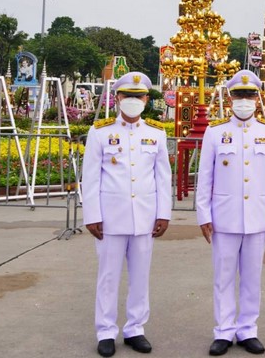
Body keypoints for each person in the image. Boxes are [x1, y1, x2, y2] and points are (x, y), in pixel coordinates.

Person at [81, 72, 172, 357]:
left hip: (145, 218)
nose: (133, 101)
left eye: (138, 96)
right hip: (109, 218)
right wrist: (92, 215)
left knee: (140, 278)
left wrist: (163, 213)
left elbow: (163, 178)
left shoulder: (156, 133)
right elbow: (91, 177)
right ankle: (106, 331)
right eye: (127, 96)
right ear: (117, 98)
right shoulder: (100, 132)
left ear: (146, 99)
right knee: (108, 278)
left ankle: (135, 329)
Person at [196, 70, 265, 356]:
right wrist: (203, 215)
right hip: (224, 217)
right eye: (239, 95)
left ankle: (247, 330)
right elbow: (205, 177)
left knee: (252, 278)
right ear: (230, 98)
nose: (244, 100)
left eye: (249, 95)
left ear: (257, 98)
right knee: (223, 278)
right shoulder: (215, 131)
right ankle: (223, 330)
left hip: (257, 218)